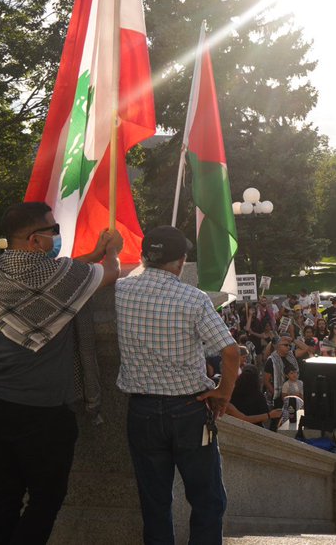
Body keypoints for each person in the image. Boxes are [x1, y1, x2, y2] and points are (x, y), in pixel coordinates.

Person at [0, 202, 121, 545]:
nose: (57, 236)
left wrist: (92, 253)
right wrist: (110, 252)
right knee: (46, 499)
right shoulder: (57, 276)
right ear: (36, 240)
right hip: (41, 415)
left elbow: (60, 276)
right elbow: (109, 273)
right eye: (53, 230)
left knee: (5, 493)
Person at [114, 225, 239, 545]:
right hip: (189, 410)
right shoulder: (193, 298)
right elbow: (230, 351)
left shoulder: (122, 290)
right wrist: (223, 393)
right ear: (181, 261)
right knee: (207, 499)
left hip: (140, 411)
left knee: (154, 503)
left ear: (143, 255)